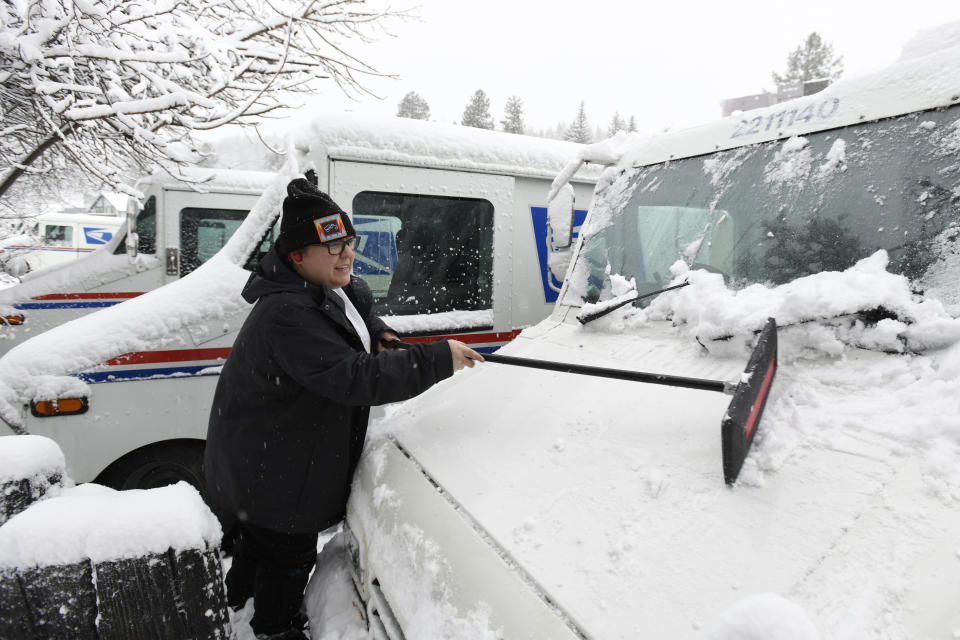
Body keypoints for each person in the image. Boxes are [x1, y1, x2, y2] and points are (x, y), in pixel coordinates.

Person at [204, 175, 483, 640]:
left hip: (272, 459)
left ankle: (234, 605)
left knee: (260, 548)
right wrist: (437, 358)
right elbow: (355, 378)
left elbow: (353, 315)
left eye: (349, 241)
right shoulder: (286, 315)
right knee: (287, 558)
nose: (347, 254)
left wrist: (381, 335)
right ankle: (274, 628)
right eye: (333, 247)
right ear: (297, 255)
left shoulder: (326, 288)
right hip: (271, 471)